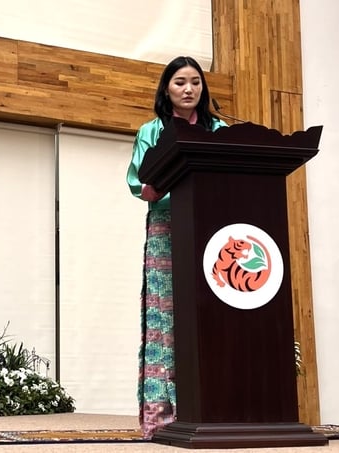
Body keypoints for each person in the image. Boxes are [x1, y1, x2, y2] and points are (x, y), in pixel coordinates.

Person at [125, 56, 227, 438]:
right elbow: (143, 185)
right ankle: (164, 415)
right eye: (180, 82)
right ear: (166, 88)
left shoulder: (219, 129)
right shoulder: (152, 131)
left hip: (213, 228)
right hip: (168, 227)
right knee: (167, 317)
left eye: (196, 82)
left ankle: (215, 407)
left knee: (211, 313)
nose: (189, 89)